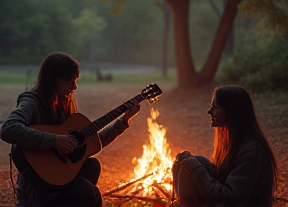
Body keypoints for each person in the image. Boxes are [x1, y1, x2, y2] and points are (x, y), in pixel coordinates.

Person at [0, 52, 140, 207]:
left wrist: (124, 120)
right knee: (88, 193)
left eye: (76, 81)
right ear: (53, 80)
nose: (74, 87)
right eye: (69, 81)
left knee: (92, 166)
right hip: (38, 186)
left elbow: (92, 144)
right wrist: (54, 140)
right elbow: (8, 128)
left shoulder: (66, 105)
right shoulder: (32, 102)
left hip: (59, 177)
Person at [172, 85, 278, 207]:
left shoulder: (251, 151)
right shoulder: (237, 142)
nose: (209, 111)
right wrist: (191, 163)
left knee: (192, 164)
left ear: (232, 111)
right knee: (187, 163)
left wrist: (195, 168)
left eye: (215, 106)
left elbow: (229, 197)